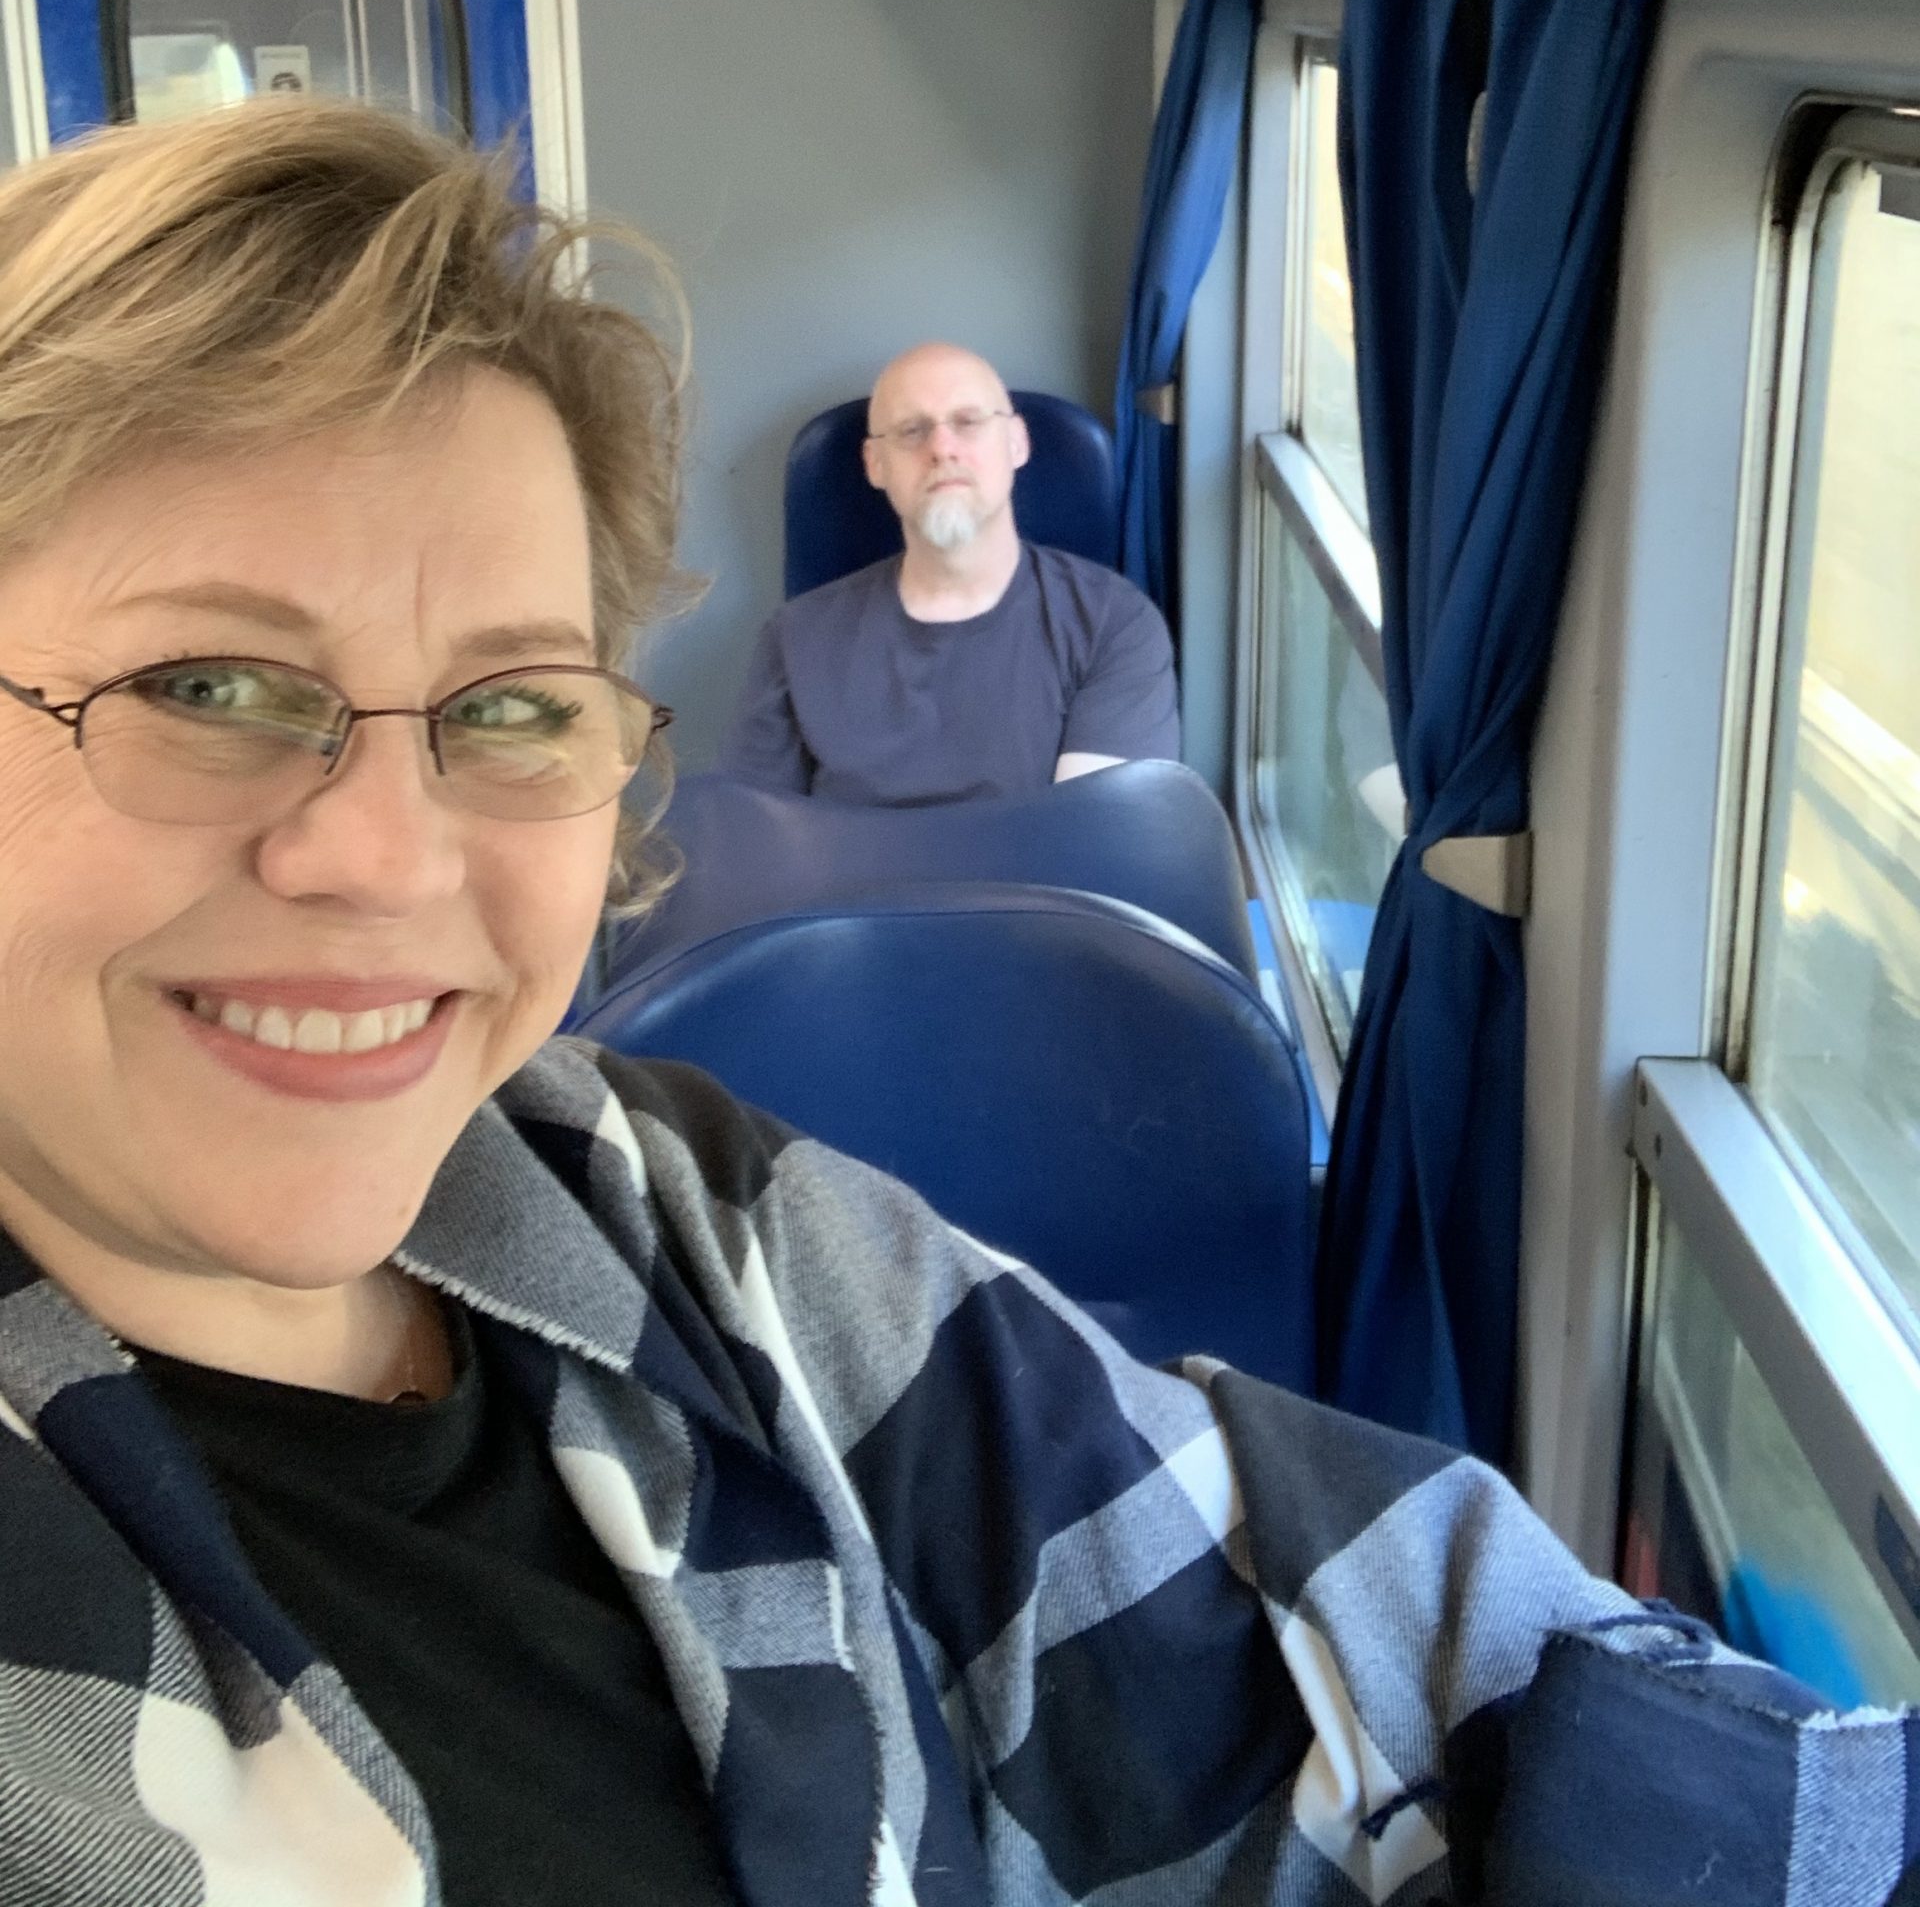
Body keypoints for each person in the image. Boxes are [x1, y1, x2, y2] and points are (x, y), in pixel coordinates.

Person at [0, 101, 1907, 1907]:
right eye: (205, 689)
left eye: (508, 707)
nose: (385, 860)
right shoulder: (806, 652)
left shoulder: (688, 1214)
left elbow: (1396, 1632)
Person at [722, 342, 1180, 804]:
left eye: (969, 422)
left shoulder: (1113, 624)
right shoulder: (793, 639)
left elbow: (1094, 834)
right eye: (911, 430)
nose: (942, 448)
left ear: (1016, 442)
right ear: (875, 464)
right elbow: (755, 833)